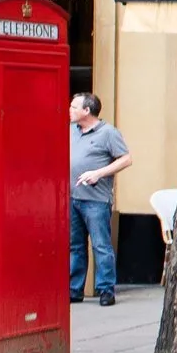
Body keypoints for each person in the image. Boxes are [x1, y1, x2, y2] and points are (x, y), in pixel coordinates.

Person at [67, 92, 132, 306]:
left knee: (101, 245)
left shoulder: (108, 133)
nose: (70, 110)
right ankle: (74, 289)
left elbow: (126, 159)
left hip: (96, 200)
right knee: (75, 246)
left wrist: (99, 173)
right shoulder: (71, 131)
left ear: (87, 111)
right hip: (72, 196)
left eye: (74, 107)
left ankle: (105, 290)